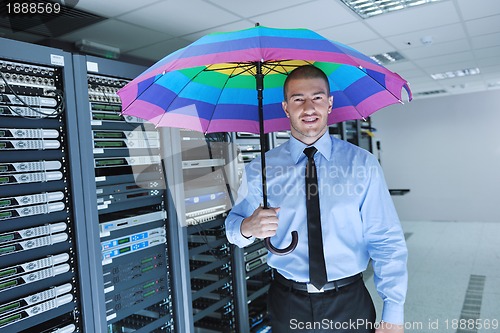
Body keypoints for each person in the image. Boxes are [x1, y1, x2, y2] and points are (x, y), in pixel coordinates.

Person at [225, 65, 408, 333]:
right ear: (286, 107)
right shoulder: (260, 169)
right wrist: (246, 227)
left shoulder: (362, 164)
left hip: (349, 301)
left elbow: (385, 238)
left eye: (318, 97)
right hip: (287, 303)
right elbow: (233, 228)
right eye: (298, 99)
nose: (309, 108)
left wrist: (393, 311)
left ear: (330, 103)